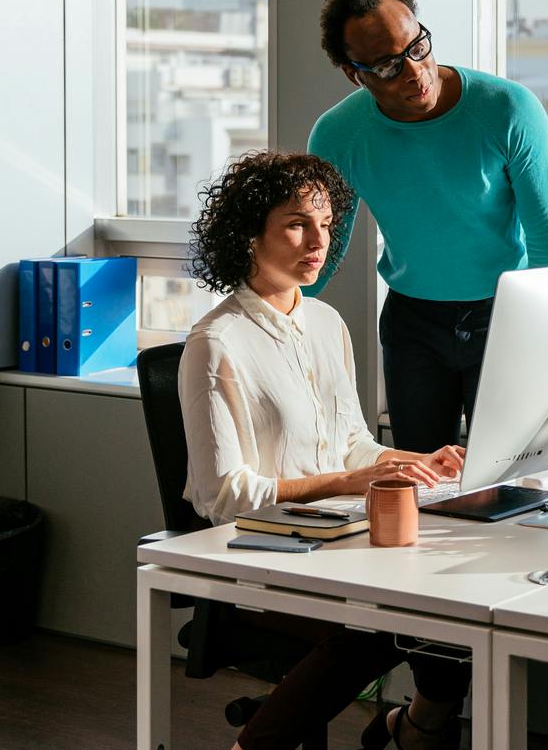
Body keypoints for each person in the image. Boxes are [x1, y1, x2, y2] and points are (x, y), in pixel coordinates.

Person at [179, 150, 471, 750]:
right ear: (248, 234)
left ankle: (419, 726)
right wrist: (344, 484)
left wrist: (412, 461)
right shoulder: (215, 344)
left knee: (455, 599)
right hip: (263, 556)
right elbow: (223, 497)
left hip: (339, 541)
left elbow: (353, 445)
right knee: (380, 624)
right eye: (296, 224)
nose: (319, 241)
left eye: (328, 225)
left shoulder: (327, 323)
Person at [308, 0, 548, 451]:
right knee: (420, 482)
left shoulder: (508, 109)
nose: (414, 72)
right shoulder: (338, 135)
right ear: (355, 74)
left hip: (504, 316)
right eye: (388, 66)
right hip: (413, 327)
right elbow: (325, 242)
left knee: (509, 476)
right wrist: (264, 316)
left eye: (417, 47)